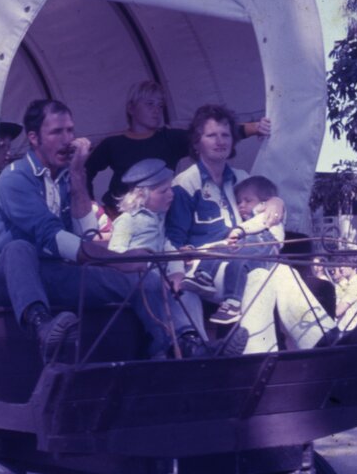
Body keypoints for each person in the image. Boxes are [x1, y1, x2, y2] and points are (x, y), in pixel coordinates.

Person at [0, 99, 209, 361]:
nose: (67, 140)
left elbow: (87, 234)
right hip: (9, 277)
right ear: (34, 138)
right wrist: (117, 259)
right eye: (56, 132)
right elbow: (51, 236)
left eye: (70, 130)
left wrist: (77, 174)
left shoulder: (65, 177)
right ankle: (42, 326)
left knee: (144, 278)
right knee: (19, 248)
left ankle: (186, 345)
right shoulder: (15, 179)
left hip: (53, 272)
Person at [166, 104, 357, 352]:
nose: (220, 141)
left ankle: (324, 339)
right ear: (197, 142)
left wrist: (276, 201)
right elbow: (173, 238)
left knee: (279, 270)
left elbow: (266, 209)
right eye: (211, 135)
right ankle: (259, 355)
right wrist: (176, 272)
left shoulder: (242, 179)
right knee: (262, 273)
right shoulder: (186, 184)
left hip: (243, 257)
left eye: (226, 135)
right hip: (204, 266)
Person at [108, 158, 247, 356]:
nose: (171, 195)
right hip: (138, 280)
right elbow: (117, 257)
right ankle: (187, 346)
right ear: (142, 195)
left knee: (187, 291)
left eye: (170, 189)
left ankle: (200, 344)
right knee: (157, 286)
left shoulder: (161, 218)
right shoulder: (127, 221)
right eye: (163, 191)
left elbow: (168, 245)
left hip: (160, 277)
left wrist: (177, 272)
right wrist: (145, 264)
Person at [85, 80, 271, 217]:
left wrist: (255, 128)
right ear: (131, 108)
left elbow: (214, 133)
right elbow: (86, 170)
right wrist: (92, 205)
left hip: (158, 216)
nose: (156, 110)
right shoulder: (113, 143)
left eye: (160, 105)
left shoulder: (169, 138)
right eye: (149, 104)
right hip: (117, 214)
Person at [182, 175, 285, 326]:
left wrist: (240, 229)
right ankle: (204, 277)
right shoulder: (247, 217)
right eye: (238, 202)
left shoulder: (267, 211)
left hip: (266, 243)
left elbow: (260, 222)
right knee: (220, 249)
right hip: (249, 243)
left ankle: (233, 303)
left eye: (247, 200)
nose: (241, 205)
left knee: (237, 263)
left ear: (264, 201)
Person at [335, 258, 357, 329]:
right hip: (348, 329)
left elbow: (337, 312)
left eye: (345, 265)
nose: (341, 268)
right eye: (341, 265)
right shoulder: (350, 284)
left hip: (350, 330)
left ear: (355, 267)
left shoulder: (355, 285)